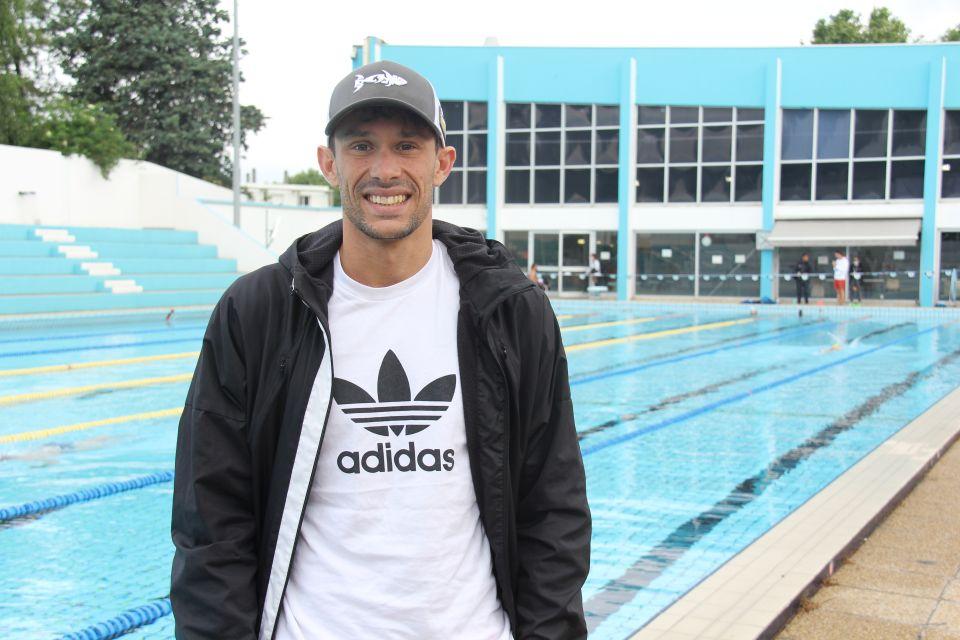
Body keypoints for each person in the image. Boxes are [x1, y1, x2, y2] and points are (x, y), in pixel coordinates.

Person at [170, 60, 590, 640]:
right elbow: (209, 518)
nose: (384, 170)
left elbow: (553, 508)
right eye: (362, 145)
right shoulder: (259, 312)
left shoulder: (509, 311)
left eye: (407, 146)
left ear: (442, 163)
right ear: (329, 163)